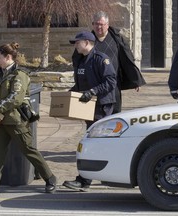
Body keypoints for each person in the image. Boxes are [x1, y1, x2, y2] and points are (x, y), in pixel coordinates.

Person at [0, 42, 57, 195]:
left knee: (28, 150)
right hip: (0, 119)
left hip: (16, 119)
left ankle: (50, 178)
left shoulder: (20, 75)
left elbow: (15, 98)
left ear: (8, 57)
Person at [62, 31, 117, 191]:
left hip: (101, 106)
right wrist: (70, 93)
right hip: (89, 107)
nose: (75, 45)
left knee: (94, 143)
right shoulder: (81, 61)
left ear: (86, 42)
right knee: (97, 143)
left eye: (77, 42)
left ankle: (84, 181)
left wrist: (93, 91)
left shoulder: (101, 59)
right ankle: (107, 175)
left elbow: (111, 81)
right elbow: (81, 86)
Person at [72, 11, 146, 114]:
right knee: (95, 117)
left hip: (113, 83)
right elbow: (78, 62)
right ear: (92, 25)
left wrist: (135, 79)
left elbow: (127, 59)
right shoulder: (87, 40)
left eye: (101, 24)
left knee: (115, 115)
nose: (99, 27)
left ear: (107, 25)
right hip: (94, 85)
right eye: (96, 24)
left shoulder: (116, 39)